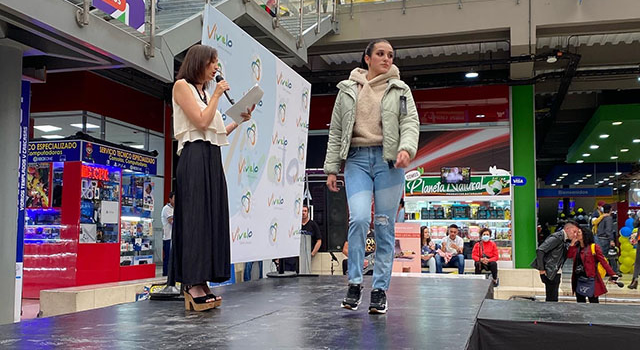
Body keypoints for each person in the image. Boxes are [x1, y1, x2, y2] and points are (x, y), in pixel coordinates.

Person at [324, 39, 419, 314]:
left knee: (385, 224)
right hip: (356, 161)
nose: (387, 59)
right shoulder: (347, 90)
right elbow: (336, 131)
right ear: (367, 58)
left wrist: (406, 148)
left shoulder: (400, 90)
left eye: (391, 54)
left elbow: (410, 123)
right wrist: (332, 168)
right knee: (360, 219)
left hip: (388, 162)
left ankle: (379, 289)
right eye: (380, 54)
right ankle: (354, 283)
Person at [169, 44, 254, 311]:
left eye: (217, 62)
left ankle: (203, 280)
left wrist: (238, 120)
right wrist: (217, 94)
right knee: (195, 217)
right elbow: (201, 122)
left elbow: (214, 131)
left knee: (211, 218)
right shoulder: (182, 86)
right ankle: (191, 282)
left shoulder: (206, 92)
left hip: (211, 155)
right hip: (193, 156)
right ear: (200, 62)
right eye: (213, 62)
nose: (216, 67)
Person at [530, 220, 580, 302]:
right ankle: (550, 314)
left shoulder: (564, 239)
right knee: (551, 297)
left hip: (555, 270)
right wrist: (542, 270)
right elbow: (540, 250)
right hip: (550, 271)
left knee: (553, 296)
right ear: (567, 229)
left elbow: (566, 255)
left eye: (576, 232)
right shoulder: (557, 237)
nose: (575, 234)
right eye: (574, 231)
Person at [567, 226, 618, 303]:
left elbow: (603, 262)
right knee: (580, 302)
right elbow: (569, 255)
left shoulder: (594, 247)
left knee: (593, 301)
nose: (576, 234)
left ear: (585, 235)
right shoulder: (576, 247)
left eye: (579, 232)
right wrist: (572, 243)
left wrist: (612, 274)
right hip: (578, 278)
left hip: (590, 279)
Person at [596, 204, 618, 275]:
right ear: (610, 210)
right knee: (610, 255)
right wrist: (611, 240)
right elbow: (609, 230)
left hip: (599, 238)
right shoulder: (608, 218)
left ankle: (604, 271)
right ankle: (613, 271)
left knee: (601, 256)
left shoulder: (601, 217)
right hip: (605, 239)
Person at [161, 192, 174, 277]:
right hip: (168, 237)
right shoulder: (167, 209)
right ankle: (166, 275)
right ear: (170, 199)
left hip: (174, 238)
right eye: (174, 198)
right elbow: (171, 221)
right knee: (168, 258)